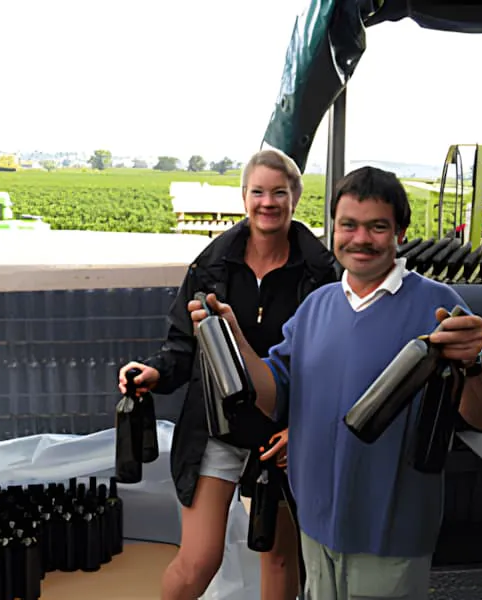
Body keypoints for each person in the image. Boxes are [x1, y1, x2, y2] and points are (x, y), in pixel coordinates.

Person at [188, 166, 482, 599]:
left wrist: (472, 366)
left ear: (400, 232)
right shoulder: (318, 305)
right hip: (316, 522)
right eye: (349, 225)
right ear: (332, 228)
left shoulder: (438, 307)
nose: (361, 239)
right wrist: (234, 337)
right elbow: (271, 395)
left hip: (391, 531)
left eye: (377, 227)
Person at [118, 148, 338, 600]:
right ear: (244, 198)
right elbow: (183, 343)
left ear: (295, 199)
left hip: (278, 433)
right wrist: (154, 372)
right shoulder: (211, 266)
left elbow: (328, 363)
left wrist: (301, 429)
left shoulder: (319, 274)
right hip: (216, 426)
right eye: (258, 192)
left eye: (279, 192)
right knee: (199, 559)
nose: (268, 202)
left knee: (277, 557)